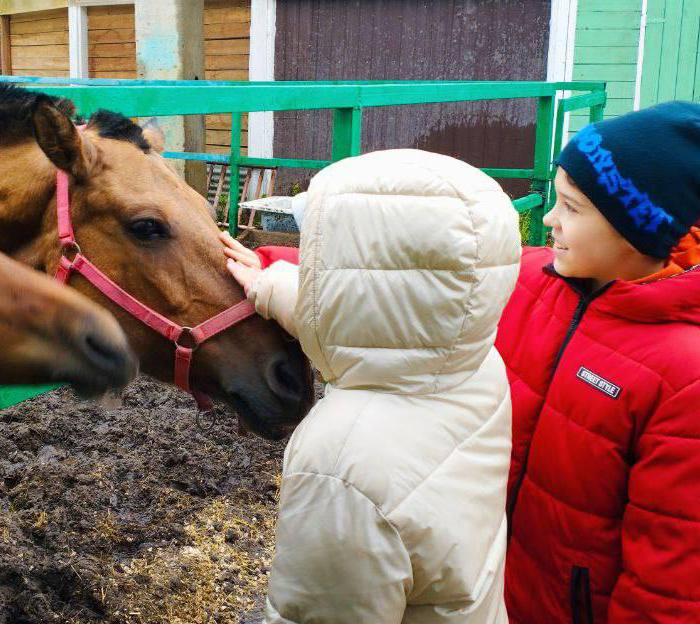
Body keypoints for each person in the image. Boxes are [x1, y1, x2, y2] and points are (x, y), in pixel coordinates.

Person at [223, 148, 522, 623]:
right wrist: (273, 286)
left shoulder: (341, 464)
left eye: (321, 259)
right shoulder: (475, 363)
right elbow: (390, 320)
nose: (311, 266)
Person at [494, 101, 700, 624]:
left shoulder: (684, 376)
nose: (548, 219)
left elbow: (669, 585)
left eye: (572, 207)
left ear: (638, 227)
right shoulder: (532, 280)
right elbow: (419, 276)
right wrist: (270, 266)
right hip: (492, 591)